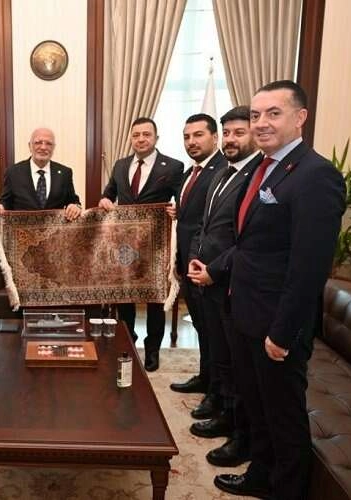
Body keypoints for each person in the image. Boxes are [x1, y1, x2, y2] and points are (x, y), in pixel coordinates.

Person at [211, 81, 345, 499]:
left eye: (273, 113)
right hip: (245, 312)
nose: (261, 123)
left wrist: (283, 333)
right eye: (255, 115)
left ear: (300, 117)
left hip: (277, 325)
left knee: (283, 416)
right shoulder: (261, 167)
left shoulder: (315, 175)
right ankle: (260, 476)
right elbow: (249, 244)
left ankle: (286, 490)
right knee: (257, 407)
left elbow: (309, 268)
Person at [185, 106, 260, 467]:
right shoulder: (220, 175)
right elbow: (204, 225)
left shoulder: (256, 176)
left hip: (231, 283)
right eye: (228, 132)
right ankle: (222, 410)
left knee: (234, 360)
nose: (231, 139)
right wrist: (194, 258)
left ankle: (237, 430)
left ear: (254, 134)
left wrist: (213, 270)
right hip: (205, 277)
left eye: (238, 132)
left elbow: (247, 239)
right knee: (219, 353)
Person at [98, 117, 184, 371]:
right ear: (131, 138)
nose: (141, 139)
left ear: (156, 138)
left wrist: (178, 208)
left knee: (155, 298)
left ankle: (153, 349)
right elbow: (109, 192)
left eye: (146, 134)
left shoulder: (174, 166)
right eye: (136, 135)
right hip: (125, 243)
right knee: (126, 295)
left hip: (156, 244)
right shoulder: (121, 165)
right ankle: (128, 342)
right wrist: (105, 199)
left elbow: (182, 199)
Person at [169, 113, 226, 421]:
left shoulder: (222, 171)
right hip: (189, 263)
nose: (191, 142)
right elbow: (190, 218)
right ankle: (205, 378)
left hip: (208, 267)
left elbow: (219, 228)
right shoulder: (190, 173)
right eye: (187, 136)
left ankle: (216, 393)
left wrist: (206, 266)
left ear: (215, 138)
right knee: (203, 328)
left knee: (215, 334)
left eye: (198, 135)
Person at [0, 127, 82, 221]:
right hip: (23, 229)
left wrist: (75, 206)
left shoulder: (65, 173)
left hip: (55, 230)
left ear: (53, 147)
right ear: (29, 146)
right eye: (38, 142)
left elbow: (73, 201)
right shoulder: (13, 172)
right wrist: (0, 207)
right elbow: (5, 202)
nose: (43, 147)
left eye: (48, 143)